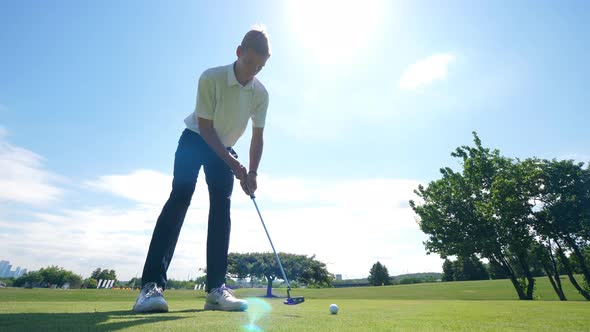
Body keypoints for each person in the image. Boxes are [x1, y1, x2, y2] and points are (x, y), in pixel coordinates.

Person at [133, 28, 271, 313]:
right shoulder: (211, 77)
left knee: (222, 208)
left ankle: (216, 289)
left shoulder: (260, 93)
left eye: (260, 67)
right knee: (180, 196)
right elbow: (206, 128)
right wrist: (234, 164)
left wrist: (253, 172)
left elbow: (258, 136)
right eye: (249, 64)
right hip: (195, 140)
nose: (252, 72)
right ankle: (151, 287)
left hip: (226, 147)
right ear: (238, 52)